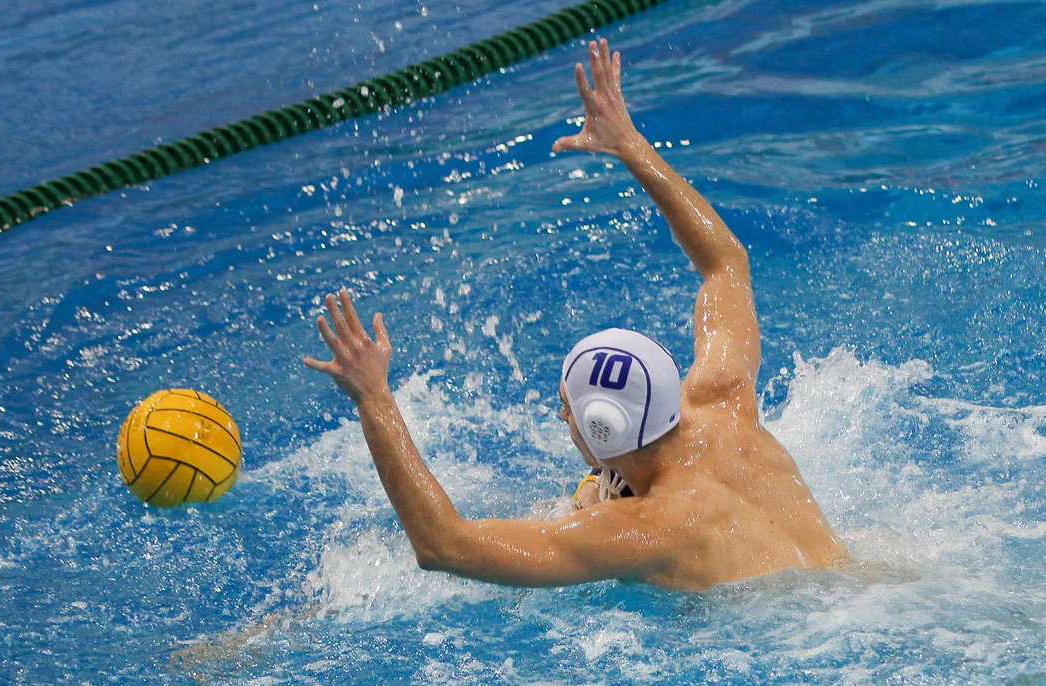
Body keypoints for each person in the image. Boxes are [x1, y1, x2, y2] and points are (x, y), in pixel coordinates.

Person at [304, 38, 847, 591]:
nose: (563, 417)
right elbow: (725, 264)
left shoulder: (648, 530)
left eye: (569, 409)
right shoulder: (724, 399)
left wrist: (373, 398)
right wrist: (631, 145)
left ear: (601, 427)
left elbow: (445, 546)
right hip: (866, 588)